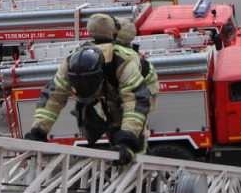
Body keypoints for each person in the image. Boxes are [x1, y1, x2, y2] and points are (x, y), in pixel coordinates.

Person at [23, 42, 157, 168]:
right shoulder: (68, 67)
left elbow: (136, 102)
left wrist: (127, 141)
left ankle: (139, 165)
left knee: (124, 130)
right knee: (99, 121)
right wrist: (38, 131)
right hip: (109, 83)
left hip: (142, 82)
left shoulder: (123, 64)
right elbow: (53, 99)